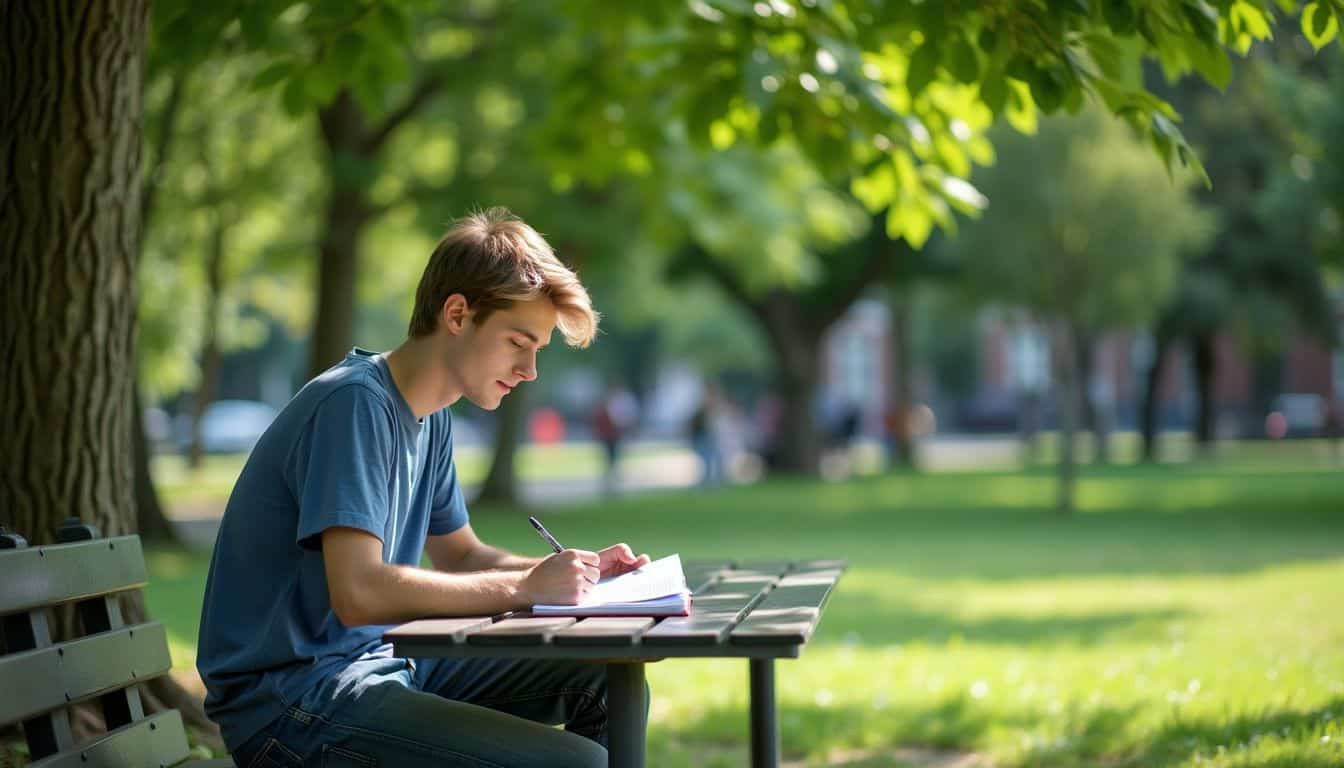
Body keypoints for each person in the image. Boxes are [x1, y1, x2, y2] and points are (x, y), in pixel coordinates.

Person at [196, 208, 650, 768]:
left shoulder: (430, 415)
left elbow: (462, 555)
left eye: (537, 350)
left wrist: (577, 574)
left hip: (378, 662)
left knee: (604, 676)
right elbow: (359, 592)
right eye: (517, 342)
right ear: (457, 314)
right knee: (576, 764)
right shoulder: (355, 405)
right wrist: (525, 588)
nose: (530, 369)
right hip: (291, 703)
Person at [591, 382, 638, 496]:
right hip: (609, 436)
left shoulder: (611, 403)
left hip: (612, 435)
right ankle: (611, 481)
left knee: (612, 458)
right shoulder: (609, 404)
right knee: (611, 458)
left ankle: (611, 480)